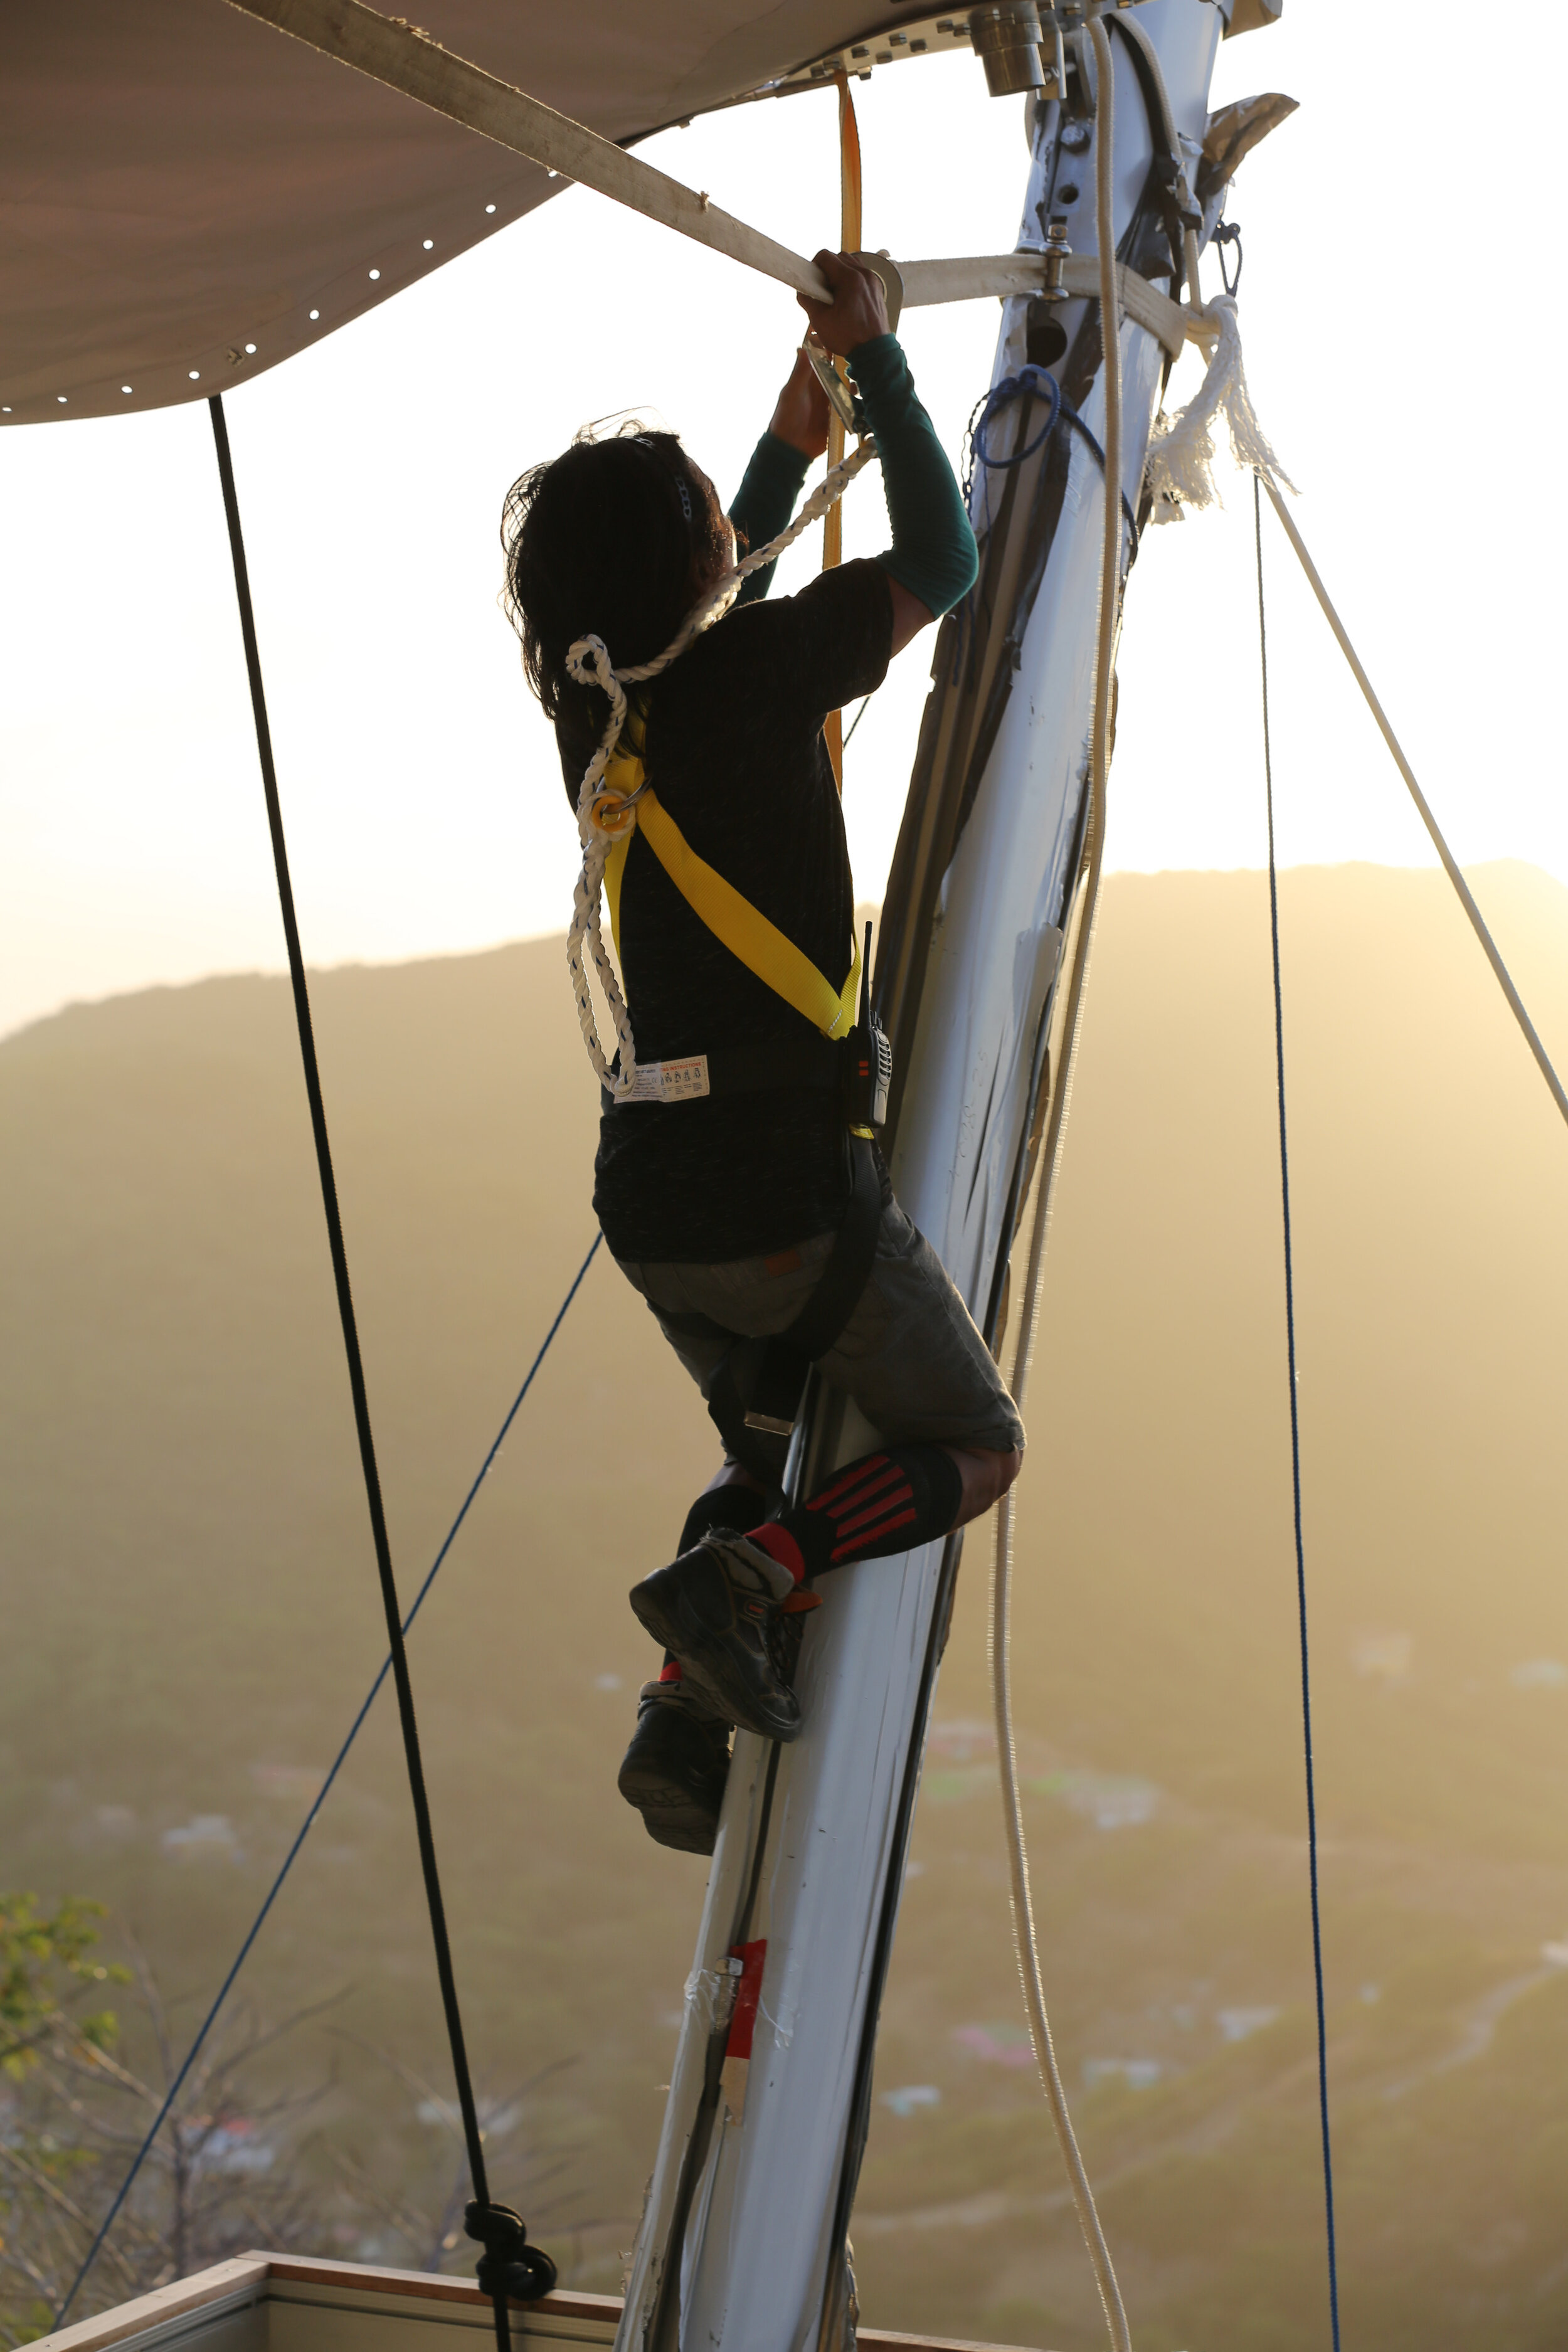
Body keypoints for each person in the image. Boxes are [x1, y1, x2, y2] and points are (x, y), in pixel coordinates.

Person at [502, 252, 1024, 1853]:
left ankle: (683, 1698)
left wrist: (794, 434)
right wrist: (877, 374)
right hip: (783, 1186)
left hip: (655, 1197)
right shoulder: (754, 672)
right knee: (970, 1444)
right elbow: (942, 555)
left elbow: (698, 591)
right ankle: (740, 1588)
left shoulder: (600, 710)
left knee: (771, 1445)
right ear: (691, 570)